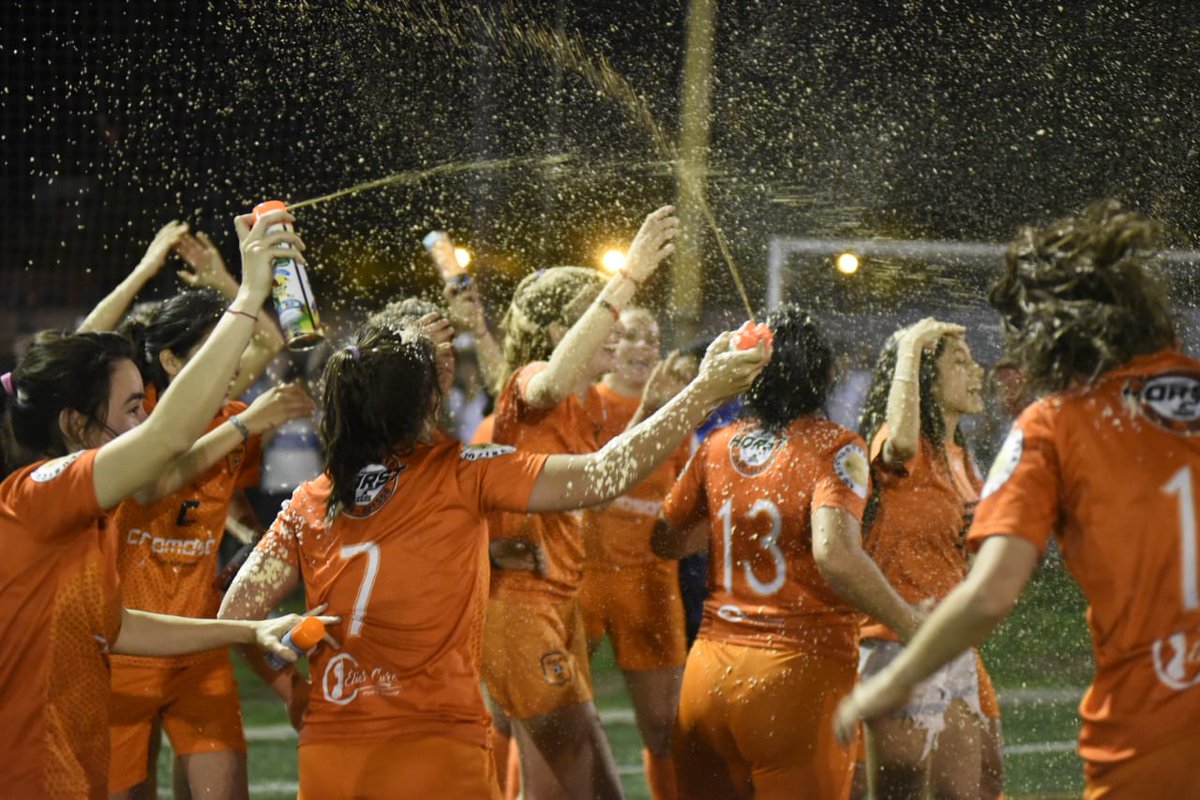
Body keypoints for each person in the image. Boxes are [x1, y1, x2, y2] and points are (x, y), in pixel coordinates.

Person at [216, 316, 767, 800]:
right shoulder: (463, 470)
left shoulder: (310, 501)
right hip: (436, 751)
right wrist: (703, 391)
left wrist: (297, 693)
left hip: (330, 752)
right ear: (430, 402)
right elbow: (604, 473)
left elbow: (234, 618)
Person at [835, 200, 1200, 799]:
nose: (986, 367)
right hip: (908, 628)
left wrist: (894, 680)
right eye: (962, 361)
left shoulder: (1055, 423)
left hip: (1151, 725)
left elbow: (990, 592)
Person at [0, 206, 332, 798]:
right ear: (76, 424)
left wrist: (240, 634)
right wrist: (251, 289)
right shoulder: (39, 491)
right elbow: (166, 439)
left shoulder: (82, 518)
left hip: (77, 756)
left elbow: (118, 624)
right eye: (131, 409)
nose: (143, 420)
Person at [652, 304, 924, 800]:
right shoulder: (835, 445)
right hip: (798, 672)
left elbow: (665, 539)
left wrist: (733, 513)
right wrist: (913, 626)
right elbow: (835, 555)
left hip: (709, 669)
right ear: (824, 374)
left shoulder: (717, 443)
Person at [482, 206, 679, 799]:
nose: (615, 328)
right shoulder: (530, 386)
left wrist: (669, 401)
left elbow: (613, 468)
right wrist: (630, 277)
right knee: (573, 783)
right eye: (599, 317)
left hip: (560, 600)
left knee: (580, 787)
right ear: (554, 335)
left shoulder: (586, 404)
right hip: (522, 607)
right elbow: (543, 382)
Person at [107, 287, 313, 800]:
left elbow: (222, 503)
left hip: (199, 647)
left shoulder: (235, 417)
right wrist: (245, 423)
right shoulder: (135, 416)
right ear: (172, 360)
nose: (235, 360)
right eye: (216, 347)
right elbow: (151, 481)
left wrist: (251, 538)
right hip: (126, 648)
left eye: (233, 347)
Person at [854, 317, 1002, 799]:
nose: (976, 371)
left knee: (981, 784)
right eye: (959, 362)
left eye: (974, 360)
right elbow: (898, 441)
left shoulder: (960, 454)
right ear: (923, 377)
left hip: (949, 643)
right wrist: (911, 345)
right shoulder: (899, 444)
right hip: (897, 642)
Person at [578, 307, 692, 800]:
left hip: (650, 580)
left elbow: (691, 505)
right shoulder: (585, 403)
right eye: (627, 337)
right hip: (582, 576)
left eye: (652, 338)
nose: (642, 348)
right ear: (606, 347)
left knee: (665, 727)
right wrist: (649, 410)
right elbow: (594, 485)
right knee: (546, 715)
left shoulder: (676, 418)